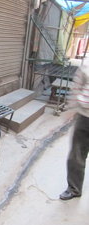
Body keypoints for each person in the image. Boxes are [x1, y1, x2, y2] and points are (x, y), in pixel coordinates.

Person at [60, 65, 89, 200]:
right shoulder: (86, 67)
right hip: (85, 116)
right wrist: (71, 110)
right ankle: (74, 188)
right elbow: (76, 89)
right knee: (76, 155)